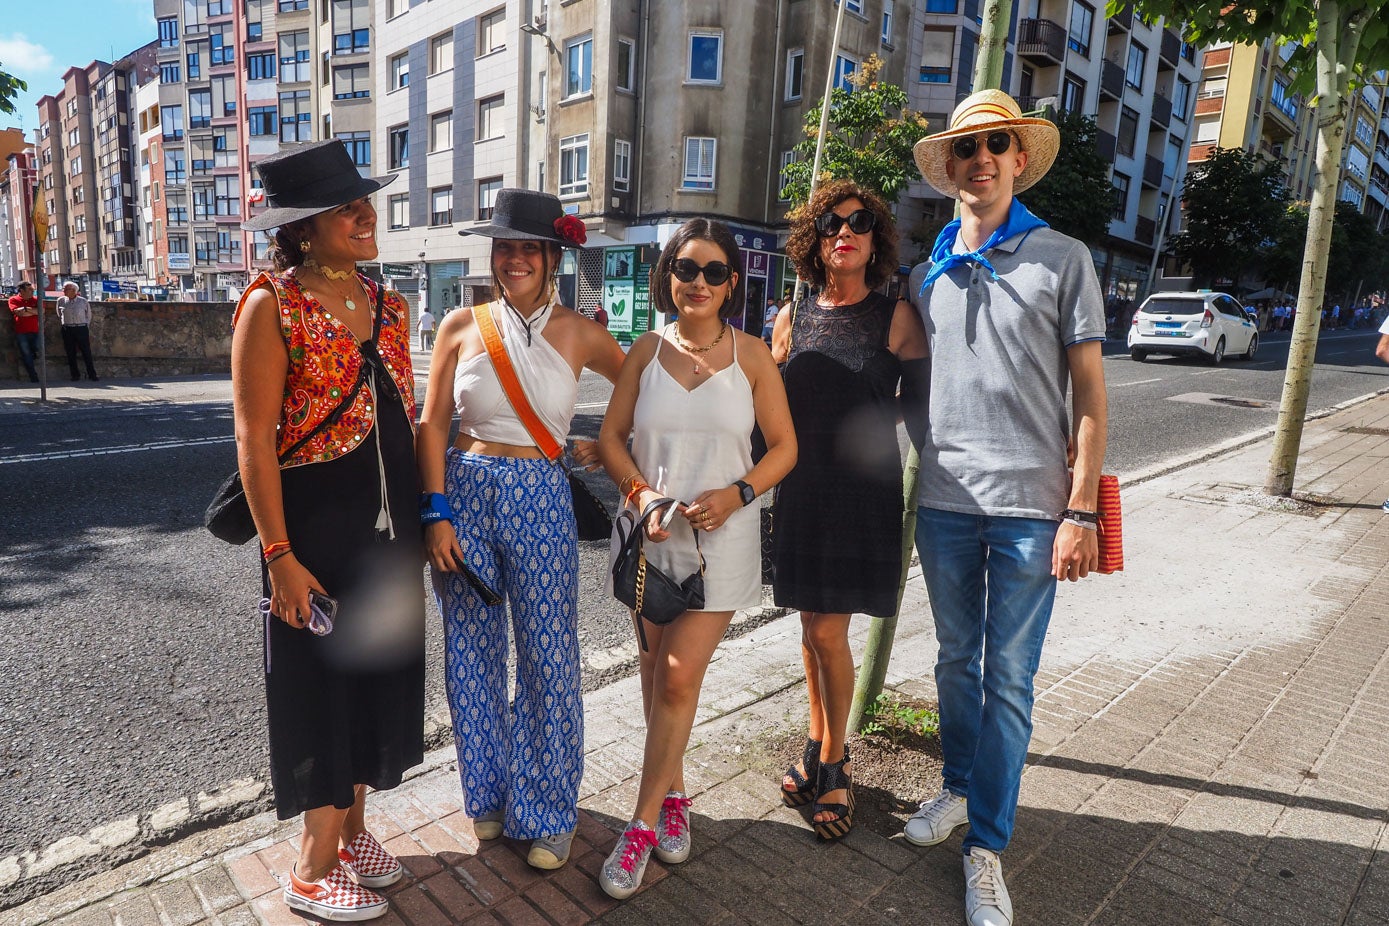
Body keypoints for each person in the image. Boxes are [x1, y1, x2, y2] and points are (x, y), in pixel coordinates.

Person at [904, 90, 1108, 926]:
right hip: (945, 503)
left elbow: (1091, 394)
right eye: (965, 147)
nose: (979, 157)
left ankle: (985, 847)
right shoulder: (928, 274)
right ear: (949, 168)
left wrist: (1082, 510)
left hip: (1031, 509)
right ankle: (957, 789)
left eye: (995, 143)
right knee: (956, 663)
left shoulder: (1063, 258)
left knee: (1009, 680)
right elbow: (891, 366)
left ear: (1017, 159)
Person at [232, 139, 425, 923]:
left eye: (363, 200)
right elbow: (251, 441)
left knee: (376, 679)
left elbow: (405, 420)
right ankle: (309, 870)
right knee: (320, 688)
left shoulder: (391, 303)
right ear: (305, 228)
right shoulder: (268, 305)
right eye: (347, 207)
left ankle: (351, 834)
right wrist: (278, 556)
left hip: (389, 530)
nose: (366, 214)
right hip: (312, 529)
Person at [416, 188, 625, 872]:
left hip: (540, 492)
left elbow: (642, 393)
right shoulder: (459, 324)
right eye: (503, 247)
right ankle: (488, 796)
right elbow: (434, 424)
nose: (512, 259)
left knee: (547, 654)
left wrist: (607, 449)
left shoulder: (583, 333)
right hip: (464, 488)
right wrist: (436, 511)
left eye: (526, 249)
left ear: (551, 256)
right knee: (470, 652)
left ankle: (547, 809)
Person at [595, 218, 796, 899]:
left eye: (713, 272)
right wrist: (641, 493)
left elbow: (783, 450)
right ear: (669, 277)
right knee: (654, 674)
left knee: (678, 680)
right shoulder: (644, 350)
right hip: (648, 539)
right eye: (687, 269)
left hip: (721, 543)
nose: (698, 283)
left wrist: (738, 493)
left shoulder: (753, 356)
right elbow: (612, 438)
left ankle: (642, 826)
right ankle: (674, 791)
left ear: (732, 282)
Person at [769, 180, 929, 841]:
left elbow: (923, 414)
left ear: (875, 239)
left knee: (829, 633)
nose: (846, 230)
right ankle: (815, 742)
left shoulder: (894, 316)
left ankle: (836, 763)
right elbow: (765, 412)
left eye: (860, 222)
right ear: (814, 239)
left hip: (859, 493)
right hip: (801, 489)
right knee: (809, 626)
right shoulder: (791, 316)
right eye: (832, 222)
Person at [57, 282, 99, 381]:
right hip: (67, 328)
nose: (64, 291)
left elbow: (88, 316)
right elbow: (59, 314)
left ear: (73, 291)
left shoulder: (83, 301)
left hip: (81, 328)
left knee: (86, 352)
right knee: (70, 353)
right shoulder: (61, 301)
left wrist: (84, 327)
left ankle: (92, 374)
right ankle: (75, 375)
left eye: (66, 289)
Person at [7, 281, 41, 382]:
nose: (32, 292)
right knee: (26, 354)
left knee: (38, 348)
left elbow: (40, 311)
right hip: (21, 332)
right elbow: (18, 313)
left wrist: (25, 309)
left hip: (35, 330)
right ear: (22, 290)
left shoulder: (36, 299)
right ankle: (33, 376)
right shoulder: (13, 299)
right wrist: (32, 311)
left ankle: (33, 355)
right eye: (30, 290)